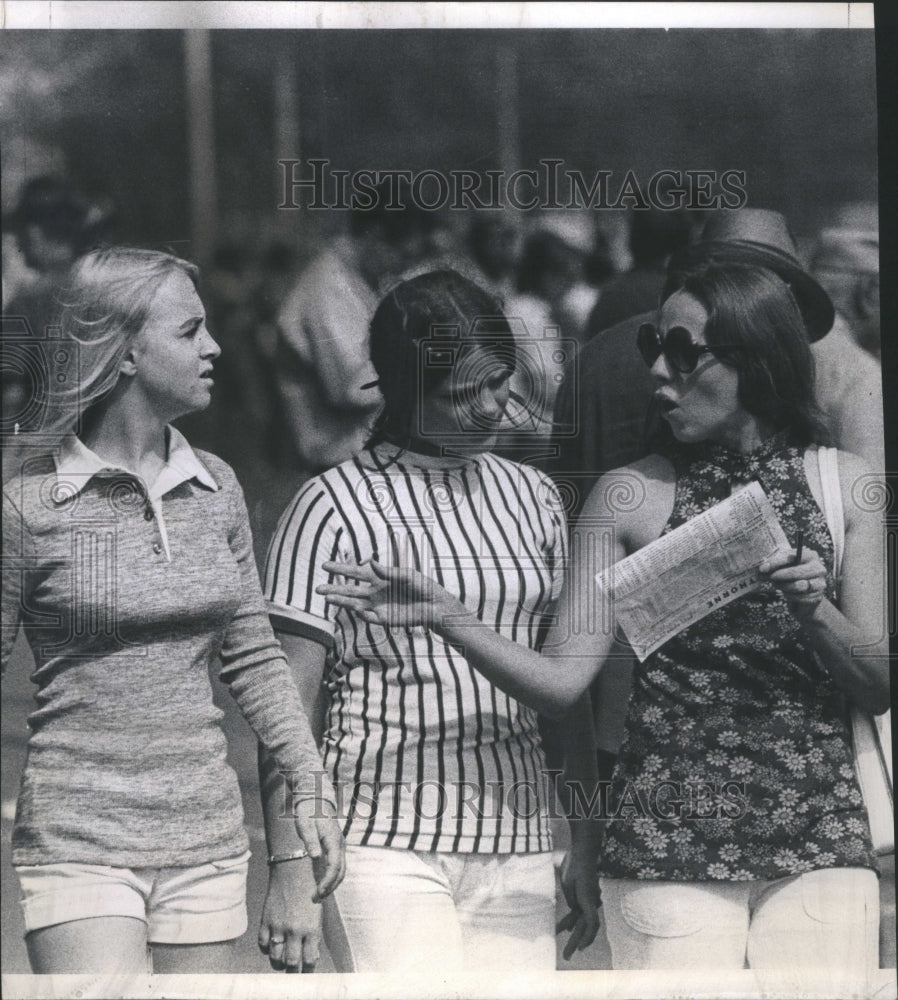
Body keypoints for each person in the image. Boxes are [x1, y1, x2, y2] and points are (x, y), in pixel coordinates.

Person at [320, 262, 889, 976]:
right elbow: (562, 683)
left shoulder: (845, 485)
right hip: (665, 845)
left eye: (683, 352)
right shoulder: (628, 496)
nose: (659, 374)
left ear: (757, 357)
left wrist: (815, 613)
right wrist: (445, 614)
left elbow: (880, 684)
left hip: (822, 838)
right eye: (654, 347)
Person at [1, 247, 344, 974]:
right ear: (123, 353)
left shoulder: (214, 483)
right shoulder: (27, 501)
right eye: (190, 331)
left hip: (208, 840)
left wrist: (310, 781)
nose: (215, 347)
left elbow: (253, 657)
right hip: (77, 842)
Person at [262, 269, 600, 975]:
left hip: (521, 839)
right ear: (404, 391)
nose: (490, 408)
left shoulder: (536, 496)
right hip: (381, 844)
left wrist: (586, 837)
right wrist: (291, 867)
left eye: (499, 381)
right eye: (459, 393)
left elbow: (562, 682)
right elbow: (286, 709)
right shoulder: (329, 504)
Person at [275, 183, 435, 476]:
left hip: (363, 456)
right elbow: (353, 391)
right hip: (331, 463)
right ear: (374, 237)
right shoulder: (328, 286)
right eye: (401, 255)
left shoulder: (359, 277)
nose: (402, 268)